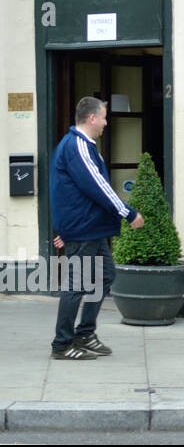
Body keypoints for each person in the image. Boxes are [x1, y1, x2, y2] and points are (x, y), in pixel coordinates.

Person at [49, 96, 145, 360]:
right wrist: (128, 212)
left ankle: (85, 333)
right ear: (92, 118)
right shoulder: (78, 146)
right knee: (77, 285)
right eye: (103, 117)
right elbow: (98, 187)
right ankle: (62, 343)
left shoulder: (85, 146)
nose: (105, 123)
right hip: (83, 228)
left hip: (91, 228)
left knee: (104, 276)